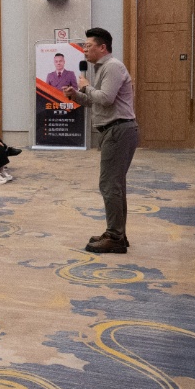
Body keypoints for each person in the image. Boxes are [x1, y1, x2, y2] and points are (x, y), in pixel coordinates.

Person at [63, 27, 138, 253]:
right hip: (114, 131)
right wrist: (76, 95)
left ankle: (115, 237)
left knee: (109, 184)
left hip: (118, 131)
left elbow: (105, 99)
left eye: (88, 46)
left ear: (102, 47)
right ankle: (118, 233)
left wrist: (86, 87)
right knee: (115, 184)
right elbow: (95, 101)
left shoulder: (112, 66)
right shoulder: (103, 68)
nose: (84, 50)